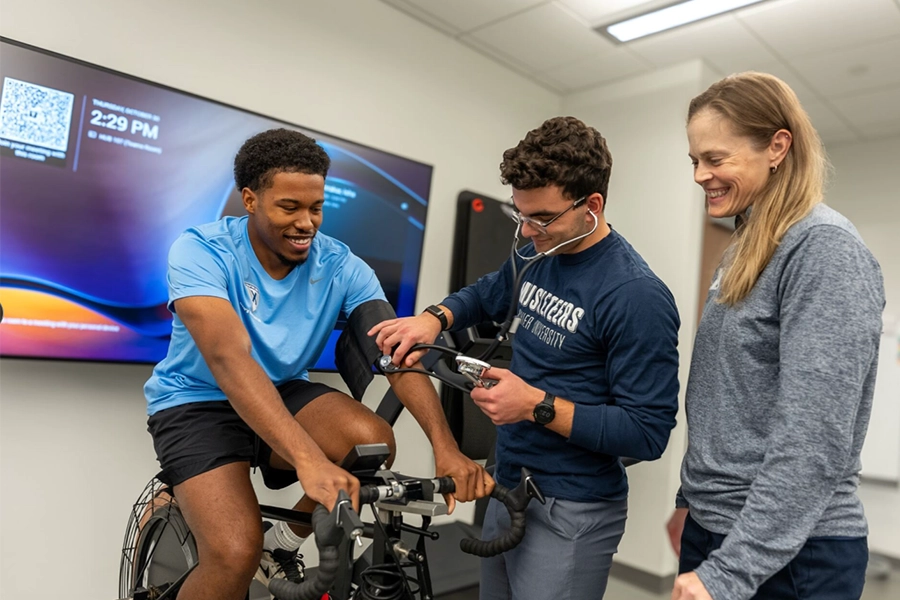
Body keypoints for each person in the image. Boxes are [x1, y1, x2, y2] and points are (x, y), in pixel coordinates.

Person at [143, 128, 492, 600]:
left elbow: (396, 353)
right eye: (289, 207)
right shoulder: (201, 250)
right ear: (250, 199)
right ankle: (222, 526)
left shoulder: (342, 266)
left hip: (283, 388)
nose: (306, 222)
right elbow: (229, 357)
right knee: (235, 554)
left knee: (370, 443)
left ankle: (282, 543)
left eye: (316, 208)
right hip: (197, 400)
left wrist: (445, 448)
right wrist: (309, 461)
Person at [371, 116, 681, 599]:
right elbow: (488, 293)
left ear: (592, 206)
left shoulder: (635, 296)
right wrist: (435, 318)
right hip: (510, 484)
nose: (528, 230)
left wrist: (536, 405)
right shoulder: (538, 250)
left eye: (542, 218)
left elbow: (647, 432)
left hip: (572, 509)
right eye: (520, 214)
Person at [667, 72, 885, 600]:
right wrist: (691, 500)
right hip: (719, 525)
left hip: (793, 552)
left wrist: (730, 572)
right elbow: (728, 395)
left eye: (715, 159)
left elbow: (813, 439)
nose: (700, 175)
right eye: (694, 160)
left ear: (777, 147)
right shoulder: (747, 246)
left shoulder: (823, 249)